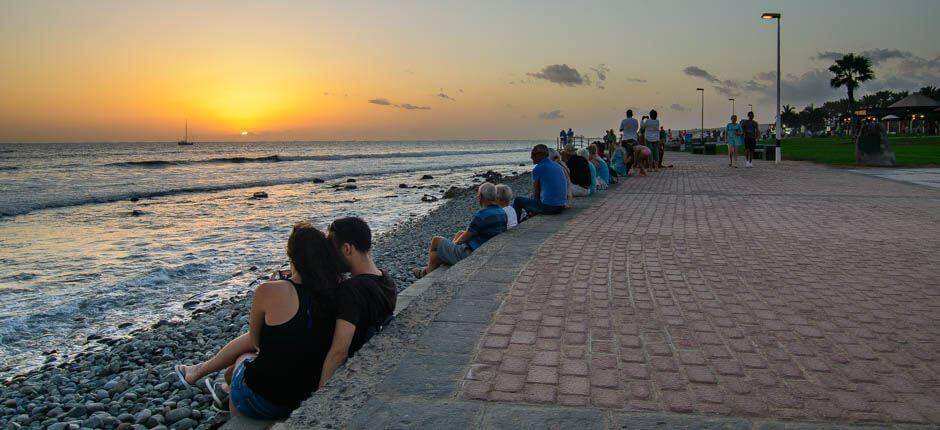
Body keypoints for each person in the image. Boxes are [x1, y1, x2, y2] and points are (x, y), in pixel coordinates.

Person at [175, 222, 342, 419]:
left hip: (263, 401)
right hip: (306, 393)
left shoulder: (269, 290)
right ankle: (213, 383)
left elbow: (256, 341)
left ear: (292, 257)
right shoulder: (337, 289)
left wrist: (276, 285)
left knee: (243, 358)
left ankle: (222, 389)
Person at [320, 217, 396, 387]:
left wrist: (320, 397)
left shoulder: (352, 290)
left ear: (347, 249)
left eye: (333, 249)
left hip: (351, 373)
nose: (331, 256)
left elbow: (339, 352)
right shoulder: (385, 279)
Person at [414, 182, 507, 277]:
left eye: (478, 195)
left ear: (481, 197)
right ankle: (427, 271)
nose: (477, 197)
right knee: (437, 253)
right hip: (485, 247)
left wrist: (453, 245)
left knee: (436, 240)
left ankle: (425, 271)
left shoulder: (482, 215)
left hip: (473, 254)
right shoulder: (502, 212)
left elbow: (464, 238)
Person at [513, 144, 568, 218]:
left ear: (540, 155)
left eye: (533, 154)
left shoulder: (538, 168)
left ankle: (515, 224)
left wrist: (533, 205)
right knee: (532, 202)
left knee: (518, 201)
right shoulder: (557, 165)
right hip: (561, 206)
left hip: (549, 207)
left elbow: (536, 192)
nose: (531, 157)